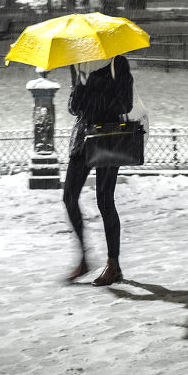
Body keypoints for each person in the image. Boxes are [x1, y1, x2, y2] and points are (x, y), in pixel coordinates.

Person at [63, 54, 135, 286]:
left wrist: (92, 92)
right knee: (69, 197)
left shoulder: (117, 63)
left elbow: (125, 103)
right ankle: (84, 258)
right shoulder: (80, 63)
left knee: (104, 201)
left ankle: (113, 265)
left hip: (107, 137)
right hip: (83, 139)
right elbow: (74, 108)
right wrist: (79, 85)